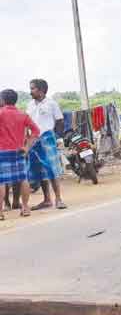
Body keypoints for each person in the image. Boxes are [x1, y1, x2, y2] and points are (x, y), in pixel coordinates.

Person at [26, 79, 66, 210]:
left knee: (52, 169)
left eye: (33, 88)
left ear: (41, 90)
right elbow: (27, 123)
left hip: (47, 138)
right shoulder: (30, 105)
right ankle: (47, 200)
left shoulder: (51, 104)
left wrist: (59, 138)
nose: (30, 91)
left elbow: (60, 121)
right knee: (40, 171)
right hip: (33, 140)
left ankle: (59, 199)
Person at [0, 89, 40, 219]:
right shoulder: (23, 114)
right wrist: (27, 147)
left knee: (1, 181)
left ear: (3, 100)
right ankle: (25, 208)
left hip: (2, 151)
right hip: (20, 151)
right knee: (23, 179)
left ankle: (0, 212)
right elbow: (36, 131)